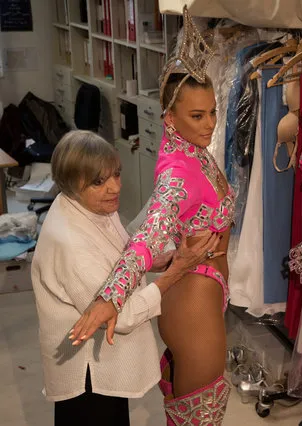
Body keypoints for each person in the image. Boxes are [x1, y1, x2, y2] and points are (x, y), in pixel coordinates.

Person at [70, 7, 236, 425]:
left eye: (214, 111)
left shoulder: (192, 152)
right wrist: (111, 297)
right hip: (194, 304)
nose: (211, 124)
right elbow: (147, 239)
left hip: (203, 295)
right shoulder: (178, 174)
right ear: (170, 117)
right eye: (197, 116)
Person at [31, 130, 222, 426]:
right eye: (99, 182)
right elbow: (121, 315)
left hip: (100, 364)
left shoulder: (86, 204)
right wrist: (175, 272)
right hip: (88, 377)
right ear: (71, 182)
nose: (114, 187)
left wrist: (153, 263)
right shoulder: (70, 246)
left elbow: (114, 258)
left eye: (116, 175)